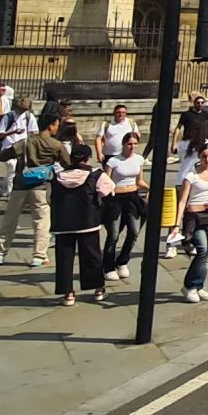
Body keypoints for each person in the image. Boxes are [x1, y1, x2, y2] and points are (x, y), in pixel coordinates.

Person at [0, 107, 64, 266]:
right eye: (57, 125)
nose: (57, 127)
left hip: (20, 185)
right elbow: (67, 163)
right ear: (51, 126)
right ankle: (38, 256)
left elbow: (3, 155)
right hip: (41, 187)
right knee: (41, 222)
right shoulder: (56, 144)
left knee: (9, 221)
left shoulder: (25, 142)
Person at [50, 142, 113, 306]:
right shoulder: (96, 174)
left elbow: (51, 197)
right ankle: (98, 289)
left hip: (63, 223)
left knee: (64, 259)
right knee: (92, 256)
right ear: (87, 158)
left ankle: (68, 294)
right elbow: (109, 190)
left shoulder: (58, 176)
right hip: (88, 221)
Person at [174, 142, 208, 303]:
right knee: (203, 250)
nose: (207, 159)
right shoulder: (191, 176)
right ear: (199, 156)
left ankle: (199, 286)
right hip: (194, 217)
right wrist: (176, 225)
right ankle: (190, 286)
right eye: (204, 156)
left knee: (207, 253)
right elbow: (183, 201)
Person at [102, 131, 146, 280]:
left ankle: (122, 261)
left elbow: (139, 181)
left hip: (132, 196)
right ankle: (108, 266)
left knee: (134, 231)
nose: (132, 147)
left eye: (135, 144)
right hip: (116, 198)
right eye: (129, 144)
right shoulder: (114, 161)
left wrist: (151, 188)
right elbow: (105, 181)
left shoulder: (139, 159)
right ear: (123, 144)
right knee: (113, 234)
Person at [0, 96, 36, 197]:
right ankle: (10, 193)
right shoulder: (8, 117)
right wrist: (13, 132)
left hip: (22, 147)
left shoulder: (29, 116)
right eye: (21, 109)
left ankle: (4, 183)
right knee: (12, 168)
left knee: (18, 170)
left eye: (25, 109)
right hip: (9, 146)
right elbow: (0, 134)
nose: (22, 112)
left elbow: (33, 132)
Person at [171, 95, 208, 161]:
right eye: (198, 103)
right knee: (187, 164)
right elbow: (178, 128)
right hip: (188, 142)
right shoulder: (186, 115)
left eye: (202, 103)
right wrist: (174, 143)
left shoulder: (206, 115)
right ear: (194, 103)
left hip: (202, 143)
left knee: (199, 165)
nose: (200, 104)